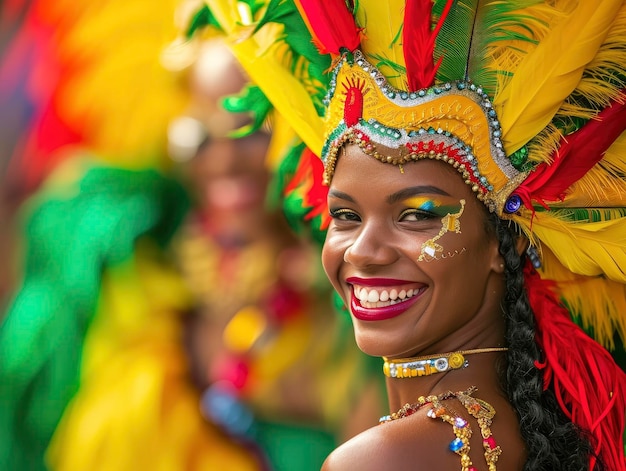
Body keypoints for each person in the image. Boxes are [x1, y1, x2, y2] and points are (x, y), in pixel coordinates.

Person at [190, 0, 626, 470]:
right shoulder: (527, 426)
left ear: (509, 244)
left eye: (417, 216)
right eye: (346, 215)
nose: (364, 251)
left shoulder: (383, 459)